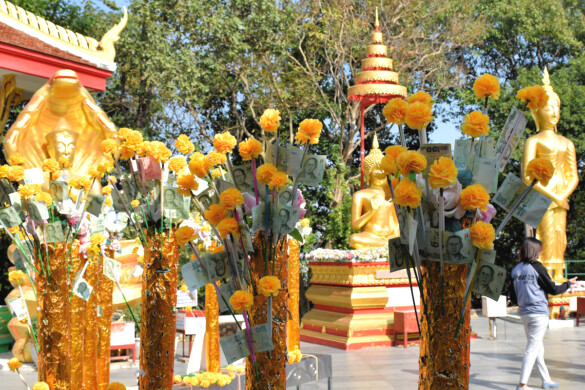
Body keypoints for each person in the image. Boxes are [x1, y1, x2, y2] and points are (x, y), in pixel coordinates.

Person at [511, 237, 578, 390]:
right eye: (539, 251)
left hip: (524, 313)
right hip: (538, 313)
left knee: (537, 347)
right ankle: (522, 384)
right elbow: (553, 289)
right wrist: (568, 283)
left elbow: (514, 297)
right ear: (534, 251)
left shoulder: (515, 270)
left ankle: (546, 380)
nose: (540, 254)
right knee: (533, 348)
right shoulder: (538, 268)